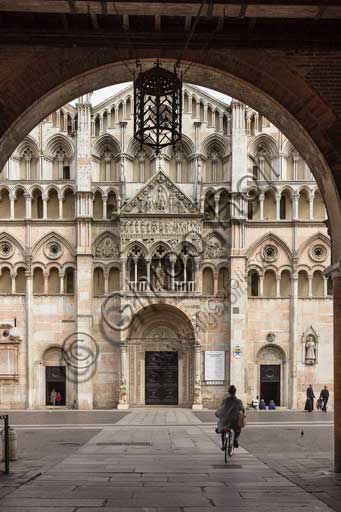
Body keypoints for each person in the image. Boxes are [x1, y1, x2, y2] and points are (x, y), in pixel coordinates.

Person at [215, 385, 245, 449]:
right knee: (238, 430)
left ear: (229, 392)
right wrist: (243, 414)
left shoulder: (225, 400)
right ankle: (235, 440)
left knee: (223, 430)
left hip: (225, 420)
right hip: (234, 420)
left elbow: (221, 409)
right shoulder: (238, 401)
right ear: (235, 392)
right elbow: (242, 409)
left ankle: (223, 445)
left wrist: (217, 414)